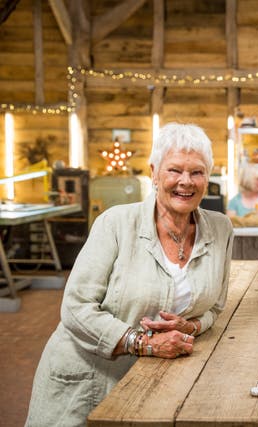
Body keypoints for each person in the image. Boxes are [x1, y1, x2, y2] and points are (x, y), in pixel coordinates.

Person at [26, 123, 234, 426]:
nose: (186, 182)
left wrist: (190, 326)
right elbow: (75, 307)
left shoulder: (221, 229)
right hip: (90, 377)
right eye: (174, 170)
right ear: (154, 172)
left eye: (197, 172)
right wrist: (143, 343)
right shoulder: (115, 223)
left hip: (155, 382)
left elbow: (215, 307)